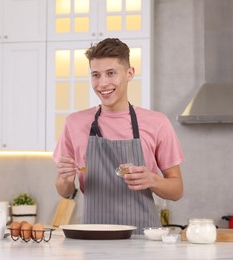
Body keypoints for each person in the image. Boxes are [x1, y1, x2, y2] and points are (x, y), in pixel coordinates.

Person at [53, 38, 184, 233]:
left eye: (111, 73)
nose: (103, 83)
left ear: (130, 73)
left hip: (143, 240)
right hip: (93, 238)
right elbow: (66, 192)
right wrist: (65, 179)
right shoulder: (74, 123)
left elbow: (177, 190)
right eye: (96, 75)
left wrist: (152, 180)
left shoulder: (157, 122)